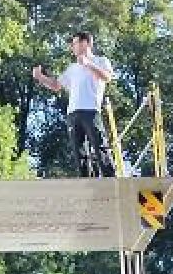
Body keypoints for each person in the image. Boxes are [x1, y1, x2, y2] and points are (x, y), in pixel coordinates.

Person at [31, 32, 116, 177]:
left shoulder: (101, 60)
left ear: (86, 43)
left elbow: (107, 77)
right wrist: (41, 78)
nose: (72, 47)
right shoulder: (72, 68)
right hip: (73, 113)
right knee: (79, 152)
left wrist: (88, 64)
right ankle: (86, 181)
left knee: (99, 146)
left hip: (90, 111)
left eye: (75, 43)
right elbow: (57, 85)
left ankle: (111, 179)